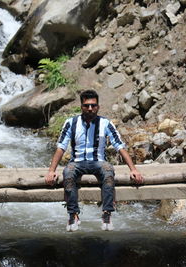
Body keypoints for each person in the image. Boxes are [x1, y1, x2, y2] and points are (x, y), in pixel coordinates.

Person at [45, 89, 144, 232]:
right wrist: (51, 171)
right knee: (68, 172)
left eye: (93, 105)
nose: (90, 108)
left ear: (98, 106)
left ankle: (107, 214)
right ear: (81, 107)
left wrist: (133, 169)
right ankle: (73, 214)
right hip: (77, 162)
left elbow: (120, 146)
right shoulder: (71, 123)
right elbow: (61, 147)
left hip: (99, 162)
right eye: (86, 105)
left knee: (109, 171)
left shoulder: (106, 123)